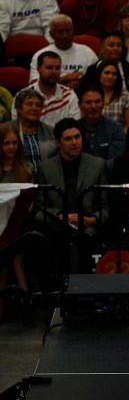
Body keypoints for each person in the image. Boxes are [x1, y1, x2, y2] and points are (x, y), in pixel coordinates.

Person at [33, 118, 108, 272]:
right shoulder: (45, 168)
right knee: (41, 219)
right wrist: (62, 216)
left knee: (78, 238)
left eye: (77, 137)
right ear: (57, 142)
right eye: (68, 138)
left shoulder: (98, 164)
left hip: (88, 223)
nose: (75, 142)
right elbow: (40, 206)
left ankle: (71, 288)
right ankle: (73, 287)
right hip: (59, 224)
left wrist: (91, 219)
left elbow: (106, 206)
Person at [0, 121, 32, 320]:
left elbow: (29, 205)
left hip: (18, 222)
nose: (11, 147)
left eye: (14, 143)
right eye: (6, 143)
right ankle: (24, 291)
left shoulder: (25, 169)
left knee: (10, 245)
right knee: (8, 250)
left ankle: (9, 302)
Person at [16, 51, 80, 127]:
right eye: (49, 67)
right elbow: (19, 129)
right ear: (38, 69)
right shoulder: (22, 97)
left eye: (57, 68)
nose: (54, 72)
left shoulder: (69, 95)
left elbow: (75, 128)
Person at [77, 84, 124, 172]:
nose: (93, 106)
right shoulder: (74, 129)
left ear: (104, 103)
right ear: (80, 105)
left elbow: (115, 161)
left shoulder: (116, 129)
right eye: (89, 102)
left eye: (97, 101)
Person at [10, 89, 56, 173]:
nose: (34, 108)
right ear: (18, 108)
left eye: (38, 105)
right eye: (29, 104)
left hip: (46, 179)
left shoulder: (51, 132)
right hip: (16, 179)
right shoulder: (6, 130)